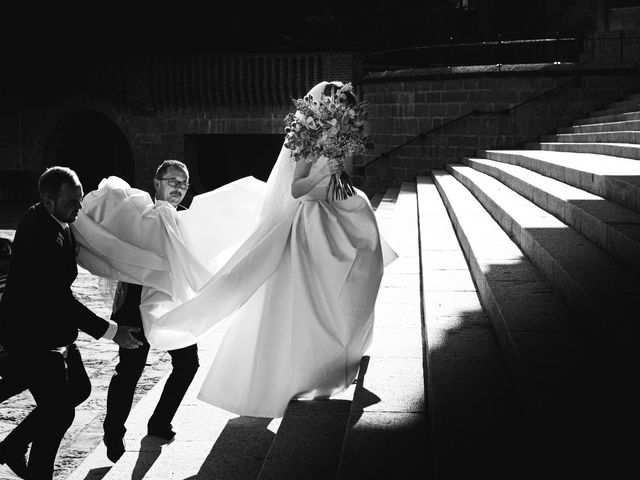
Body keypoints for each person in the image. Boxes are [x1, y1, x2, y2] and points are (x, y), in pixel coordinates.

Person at [72, 80, 397, 419]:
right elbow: (298, 187)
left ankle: (349, 347)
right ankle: (116, 428)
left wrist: (337, 179)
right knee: (315, 298)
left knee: (360, 280)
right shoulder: (308, 139)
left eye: (344, 108)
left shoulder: (342, 139)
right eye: (336, 107)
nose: (339, 113)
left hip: (342, 212)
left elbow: (340, 178)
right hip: (310, 222)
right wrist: (324, 176)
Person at [0, 166, 141, 480]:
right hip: (28, 334)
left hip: (50, 327)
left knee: (78, 388)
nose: (79, 208)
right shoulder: (40, 232)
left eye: (80, 199)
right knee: (59, 411)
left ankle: (13, 446)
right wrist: (111, 331)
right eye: (72, 203)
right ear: (49, 202)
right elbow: (57, 299)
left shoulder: (59, 220)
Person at [103, 160, 199, 463]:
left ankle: (159, 421)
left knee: (188, 364)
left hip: (173, 308)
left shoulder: (186, 220)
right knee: (130, 371)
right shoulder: (140, 214)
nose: (179, 188)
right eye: (173, 181)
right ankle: (113, 430)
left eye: (184, 183)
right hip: (135, 304)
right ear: (156, 183)